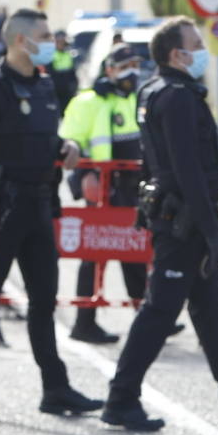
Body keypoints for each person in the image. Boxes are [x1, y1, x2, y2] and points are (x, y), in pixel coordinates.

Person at [101, 16, 218, 433]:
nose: (202, 51)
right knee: (159, 312)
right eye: (195, 44)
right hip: (184, 223)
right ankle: (121, 398)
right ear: (176, 54)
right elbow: (186, 170)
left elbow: (153, 161)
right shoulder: (178, 97)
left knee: (213, 313)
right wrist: (210, 230)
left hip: (181, 218)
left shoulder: (153, 91)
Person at [0, 8, 102, 418]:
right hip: (3, 208)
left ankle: (56, 388)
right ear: (21, 41)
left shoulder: (46, 87)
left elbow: (43, 140)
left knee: (43, 302)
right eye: (45, 36)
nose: (53, 43)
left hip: (39, 207)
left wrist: (66, 150)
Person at [60, 43, 152, 343]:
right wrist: (84, 177)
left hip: (131, 188)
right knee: (94, 254)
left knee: (135, 249)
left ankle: (148, 316)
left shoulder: (135, 99)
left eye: (135, 64)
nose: (132, 71)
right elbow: (70, 143)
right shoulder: (88, 101)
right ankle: (84, 322)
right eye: (125, 65)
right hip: (100, 188)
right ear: (109, 69)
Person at [48, 29, 79, 113]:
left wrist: (74, 88)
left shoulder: (70, 53)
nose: (61, 44)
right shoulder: (50, 55)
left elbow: (73, 73)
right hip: (56, 93)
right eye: (58, 41)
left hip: (69, 92)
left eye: (62, 41)